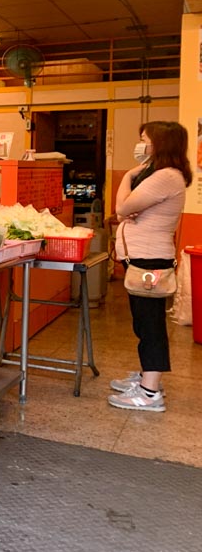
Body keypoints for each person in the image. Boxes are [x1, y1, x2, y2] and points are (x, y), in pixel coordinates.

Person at [108, 121, 192, 413]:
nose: (141, 145)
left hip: (150, 261)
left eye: (145, 140)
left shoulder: (166, 177)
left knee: (150, 325)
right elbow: (131, 210)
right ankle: (147, 375)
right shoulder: (161, 176)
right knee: (144, 323)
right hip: (145, 259)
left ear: (161, 144)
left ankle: (150, 393)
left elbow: (122, 208)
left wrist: (128, 177)